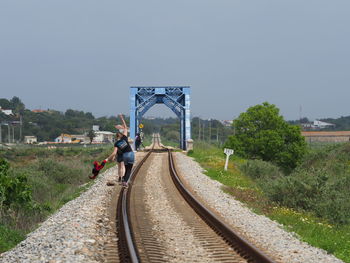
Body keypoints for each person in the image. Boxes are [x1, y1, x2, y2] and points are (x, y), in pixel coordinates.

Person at [114, 114, 128, 182]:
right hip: (124, 154)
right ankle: (123, 178)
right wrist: (122, 118)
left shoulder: (116, 142)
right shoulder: (124, 138)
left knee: (119, 167)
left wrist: (114, 156)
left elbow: (115, 150)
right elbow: (125, 127)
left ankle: (119, 177)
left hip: (119, 155)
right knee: (123, 166)